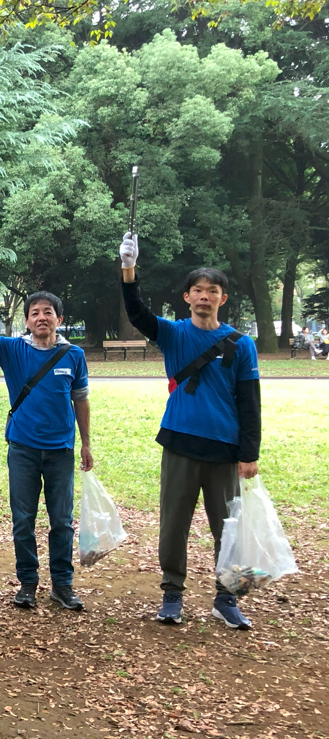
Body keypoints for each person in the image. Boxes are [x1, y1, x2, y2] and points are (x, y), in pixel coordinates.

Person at [120, 233, 260, 630]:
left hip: (225, 449)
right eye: (197, 290)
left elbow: (250, 402)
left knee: (228, 529)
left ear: (222, 298)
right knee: (174, 524)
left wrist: (249, 453)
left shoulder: (241, 344)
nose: (204, 296)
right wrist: (128, 269)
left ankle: (227, 597)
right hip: (180, 442)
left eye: (212, 291)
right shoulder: (175, 334)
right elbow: (138, 314)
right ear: (187, 298)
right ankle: (172, 595)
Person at [0, 276, 93, 611]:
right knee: (23, 519)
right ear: (27, 320)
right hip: (23, 449)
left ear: (59, 319)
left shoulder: (72, 355)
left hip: (61, 449)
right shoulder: (11, 349)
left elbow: (81, 400)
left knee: (61, 520)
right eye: (35, 313)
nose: (41, 317)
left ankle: (62, 584)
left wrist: (86, 443)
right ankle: (27, 583)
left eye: (48, 312)